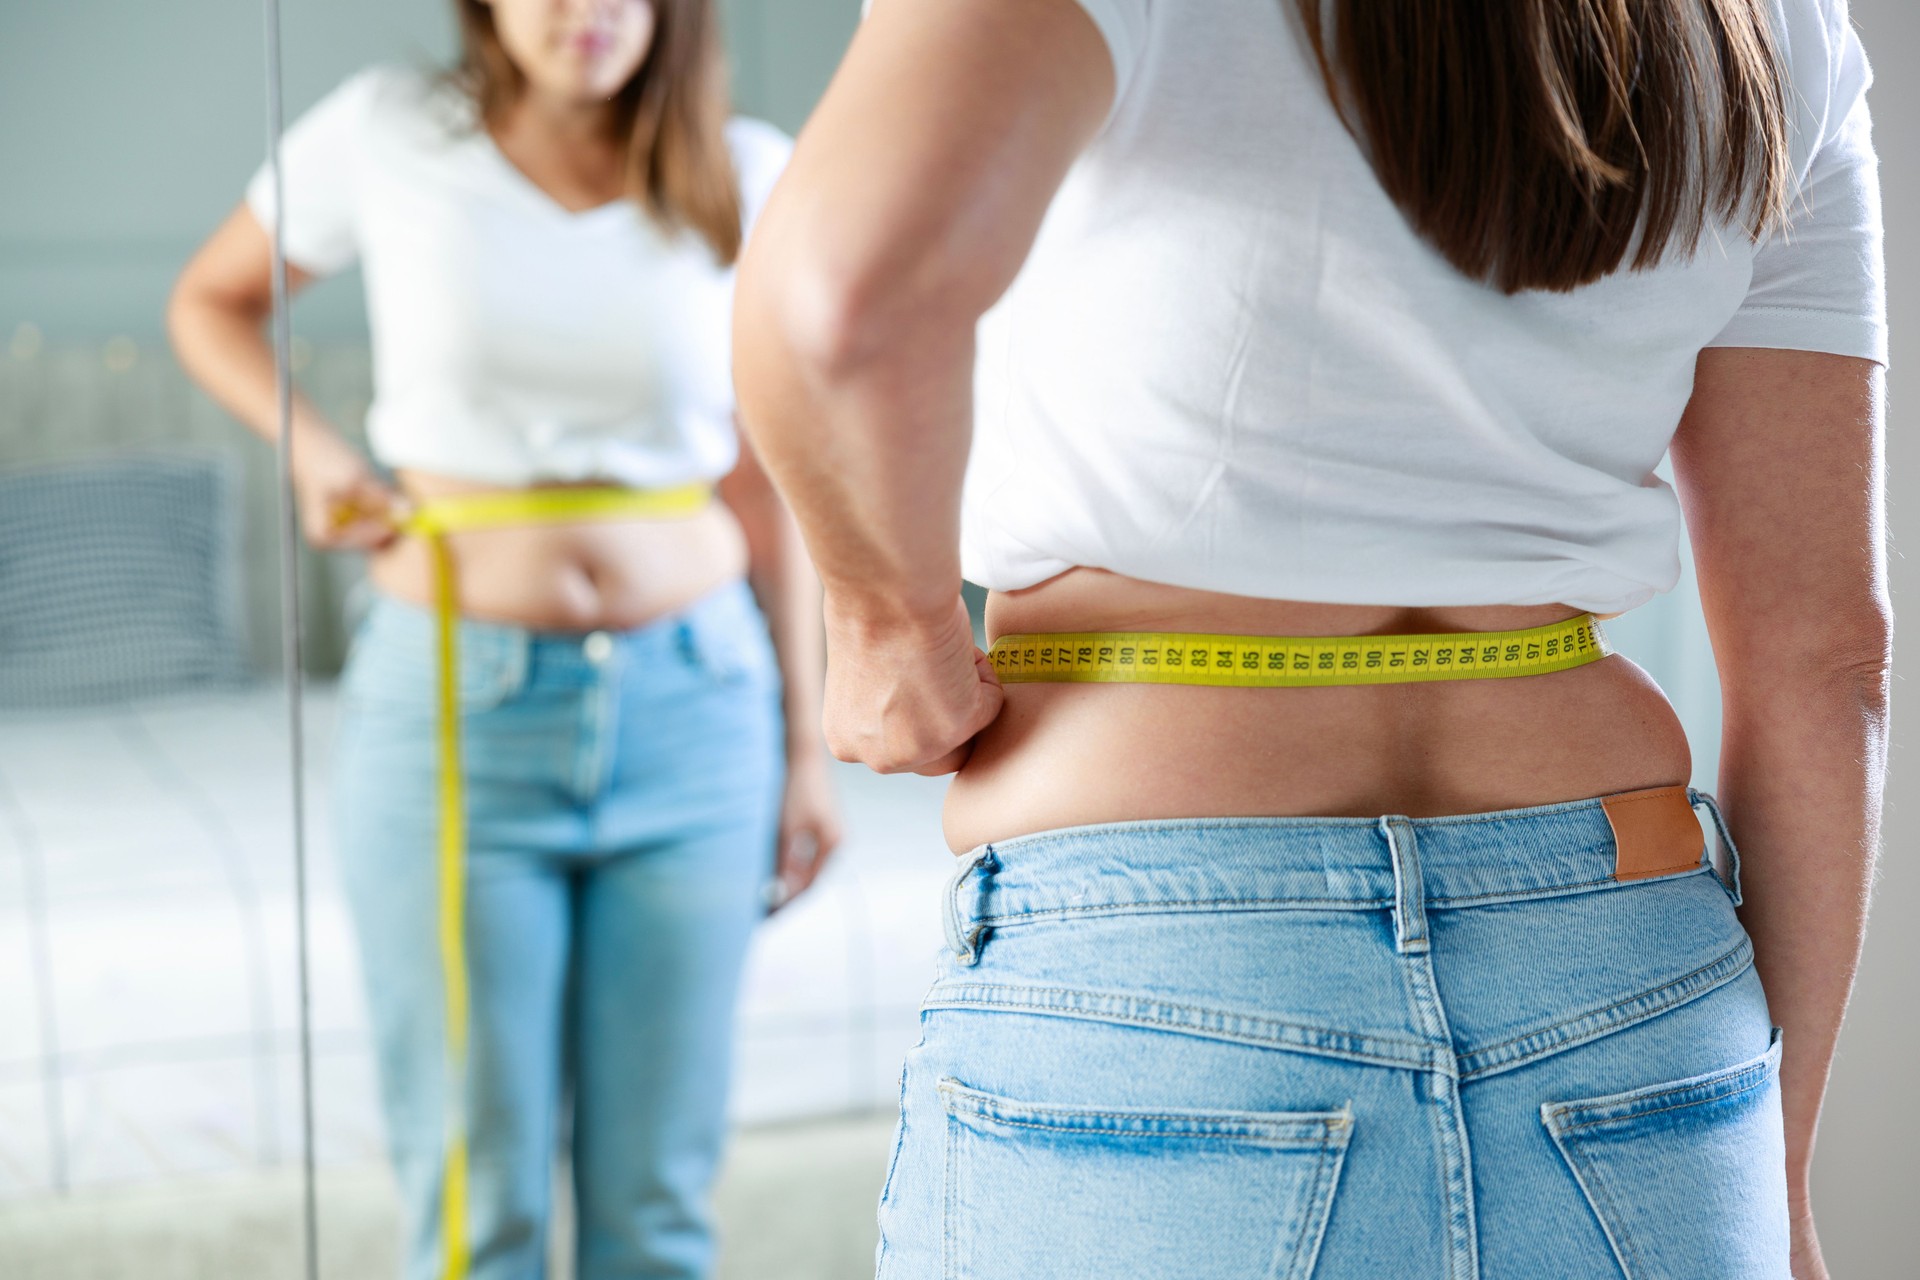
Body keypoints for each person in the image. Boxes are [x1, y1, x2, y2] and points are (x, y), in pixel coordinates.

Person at [734, 0, 1886, 1276]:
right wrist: (1773, 1174)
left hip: (1169, 988)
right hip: (1640, 993)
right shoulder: (1777, 25)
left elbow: (839, 298)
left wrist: (883, 623)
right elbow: (1824, 661)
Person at [168, 2, 841, 1276]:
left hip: (702, 713)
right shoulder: (386, 132)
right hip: (454, 715)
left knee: (659, 1208)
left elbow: (774, 481)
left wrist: (810, 745)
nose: (583, 11)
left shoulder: (750, 168)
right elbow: (210, 302)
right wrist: (318, 459)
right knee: (482, 1212)